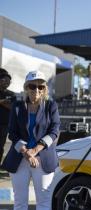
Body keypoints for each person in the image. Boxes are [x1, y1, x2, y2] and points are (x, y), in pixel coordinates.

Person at [1, 70, 60, 210]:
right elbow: (12, 133)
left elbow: (54, 131)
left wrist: (35, 150)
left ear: (45, 88)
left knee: (44, 203)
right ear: (26, 88)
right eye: (32, 86)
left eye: (41, 86)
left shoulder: (51, 106)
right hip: (19, 158)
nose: (37, 90)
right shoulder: (17, 106)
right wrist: (26, 152)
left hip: (43, 158)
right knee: (20, 203)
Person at [0, 68, 15, 164]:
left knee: (0, 146)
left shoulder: (11, 94)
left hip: (4, 125)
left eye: (9, 81)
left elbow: (13, 107)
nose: (7, 82)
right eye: (5, 80)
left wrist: (4, 103)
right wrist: (2, 102)